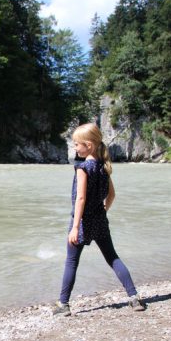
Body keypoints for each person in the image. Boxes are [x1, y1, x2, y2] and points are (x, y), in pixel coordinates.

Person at [52, 123, 146, 316]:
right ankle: (134, 297)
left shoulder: (82, 168)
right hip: (100, 221)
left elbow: (80, 198)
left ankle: (63, 305)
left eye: (77, 144)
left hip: (83, 222)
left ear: (88, 145)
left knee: (71, 262)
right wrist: (103, 210)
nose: (75, 148)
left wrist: (75, 227)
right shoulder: (104, 167)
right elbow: (112, 195)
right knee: (112, 258)